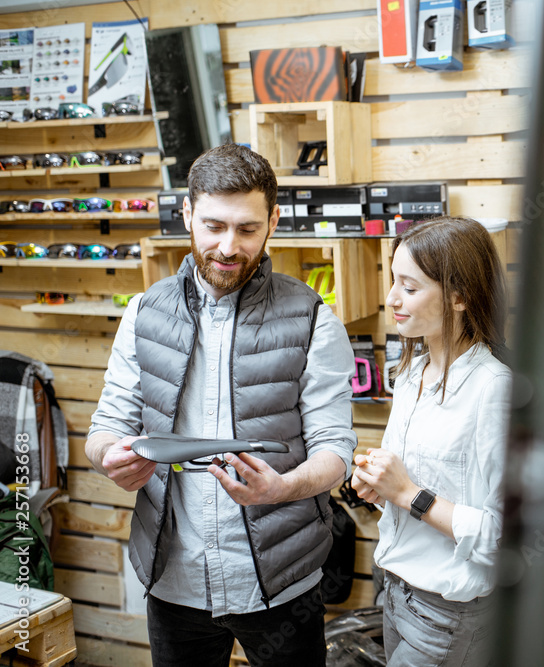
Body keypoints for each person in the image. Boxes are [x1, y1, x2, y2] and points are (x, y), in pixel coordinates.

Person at [85, 144, 357, 667]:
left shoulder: (312, 317)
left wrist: (283, 488)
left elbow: (335, 449)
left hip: (281, 581)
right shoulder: (143, 312)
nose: (228, 247)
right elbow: (106, 427)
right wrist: (109, 459)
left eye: (248, 229)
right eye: (213, 226)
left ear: (273, 221)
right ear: (186, 213)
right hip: (174, 577)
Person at [351, 217, 511, 666]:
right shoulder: (411, 374)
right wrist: (381, 489)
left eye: (410, 287)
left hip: (447, 612)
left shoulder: (494, 390)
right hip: (396, 593)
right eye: (392, 282)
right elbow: (411, 488)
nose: (392, 300)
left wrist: (408, 493)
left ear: (459, 296)